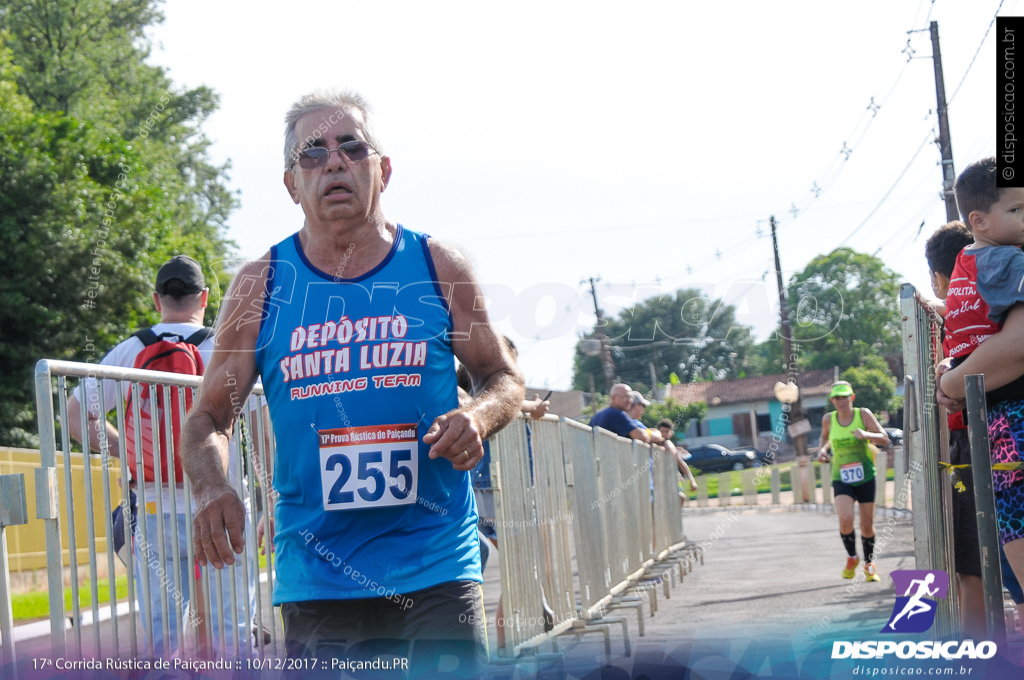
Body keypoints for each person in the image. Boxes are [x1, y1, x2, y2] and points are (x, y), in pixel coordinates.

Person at [181, 89, 524, 676]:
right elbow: (208, 418)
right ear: (291, 184)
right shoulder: (260, 286)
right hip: (316, 572)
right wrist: (212, 487)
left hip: (436, 561)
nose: (334, 162)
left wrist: (480, 416)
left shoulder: (438, 266)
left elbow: (503, 378)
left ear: (382, 170)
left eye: (351, 147)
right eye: (311, 153)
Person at [65, 255, 260, 657]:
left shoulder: (131, 351)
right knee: (232, 629)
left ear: (157, 300)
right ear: (204, 298)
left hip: (155, 508)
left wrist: (126, 451)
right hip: (221, 506)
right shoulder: (223, 348)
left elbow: (75, 415)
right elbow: (259, 422)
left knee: (163, 636)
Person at [936, 156, 1024, 608]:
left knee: (1013, 531)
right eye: (1017, 210)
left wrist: (950, 377)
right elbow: (1017, 346)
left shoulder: (966, 266)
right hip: (1011, 419)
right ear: (978, 220)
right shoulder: (1009, 259)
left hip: (990, 423)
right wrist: (953, 380)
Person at [924, 220, 995, 640]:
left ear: (938, 278)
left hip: (967, 444)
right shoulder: (1001, 302)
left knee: (973, 568)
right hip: (1000, 429)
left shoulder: (947, 319)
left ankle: (975, 657)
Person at [816, 381, 889, 582]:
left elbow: (884, 438)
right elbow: (823, 438)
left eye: (844, 397)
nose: (841, 401)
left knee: (867, 524)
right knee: (846, 519)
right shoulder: (828, 419)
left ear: (852, 397)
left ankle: (869, 564)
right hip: (841, 478)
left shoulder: (862, 414)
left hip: (865, 476)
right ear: (832, 400)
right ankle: (852, 557)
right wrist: (821, 450)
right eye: (837, 398)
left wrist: (866, 434)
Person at [658, 419, 698, 503]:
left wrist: (692, 480)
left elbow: (682, 464)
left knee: (681, 497)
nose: (664, 434)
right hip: (658, 481)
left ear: (671, 433)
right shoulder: (653, 445)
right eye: (662, 431)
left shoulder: (672, 449)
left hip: (672, 479)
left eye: (667, 431)